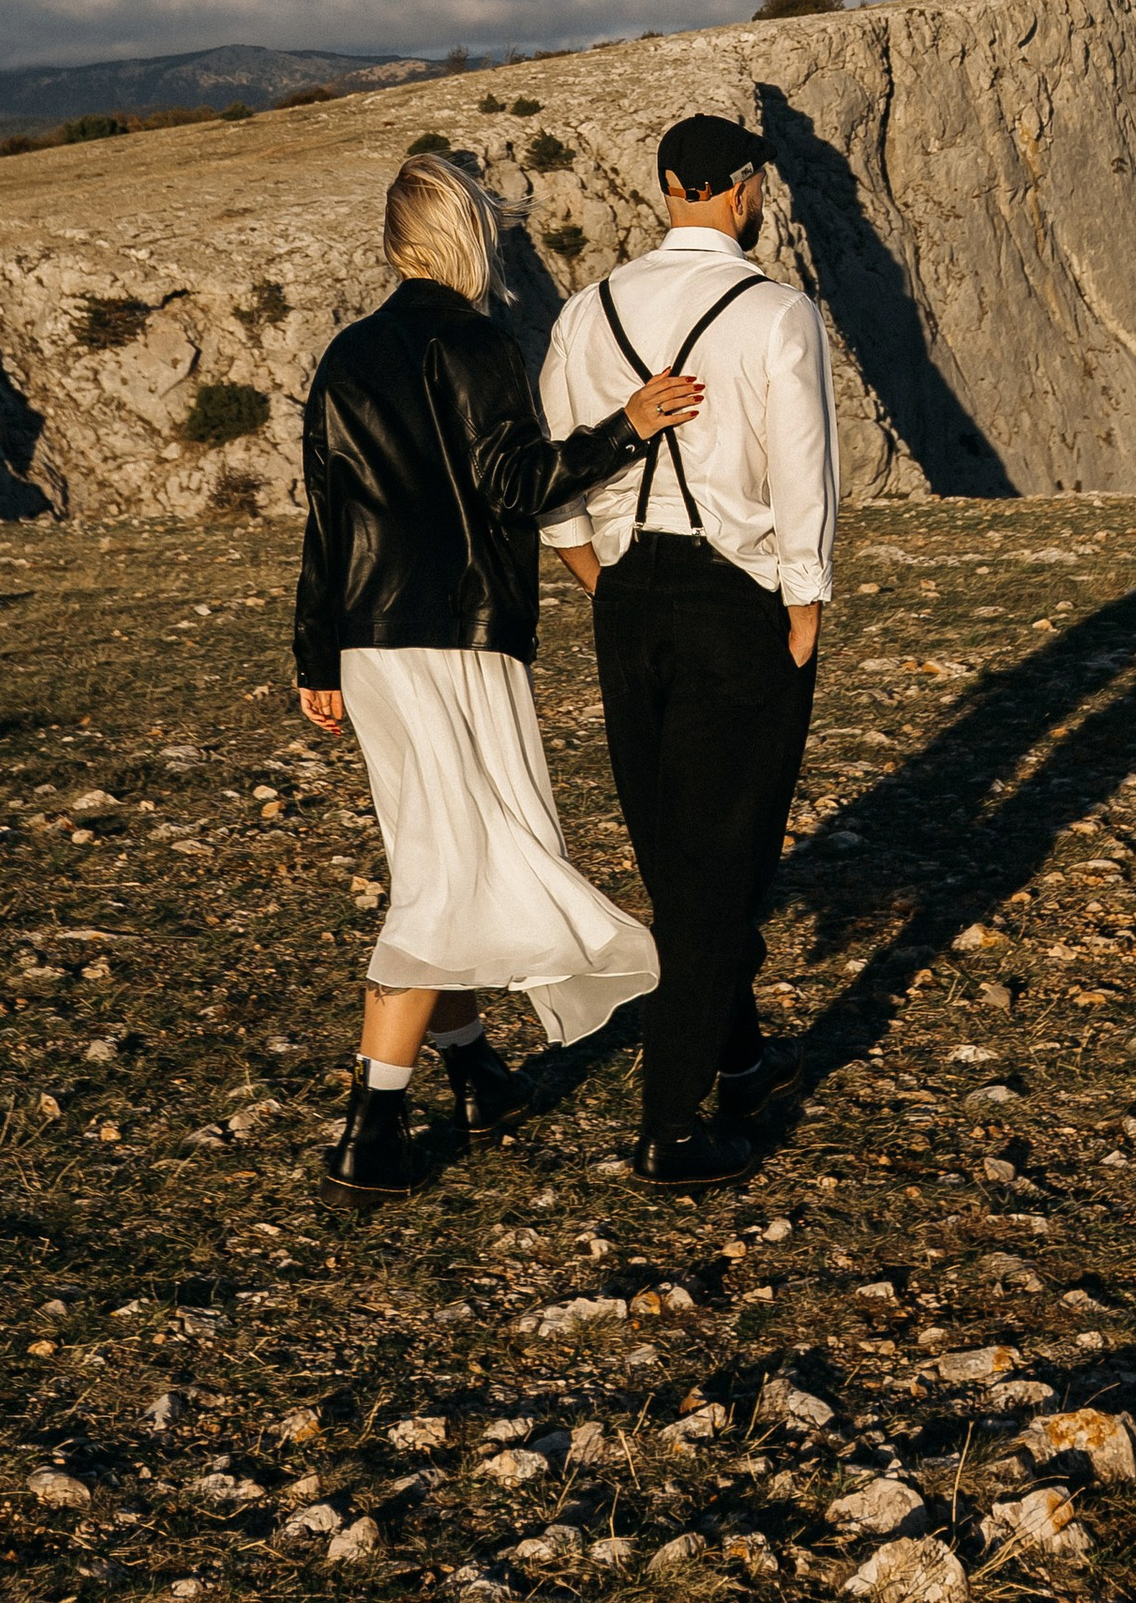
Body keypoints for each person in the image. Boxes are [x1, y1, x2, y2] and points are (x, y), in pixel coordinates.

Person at [292, 146, 705, 1204]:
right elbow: (517, 484)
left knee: (444, 849)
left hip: (370, 645)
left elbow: (328, 522)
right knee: (449, 867)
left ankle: (475, 1070)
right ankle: (372, 1123)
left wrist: (313, 656)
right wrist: (629, 428)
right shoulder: (475, 344)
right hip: (459, 643)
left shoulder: (343, 356)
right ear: (465, 233)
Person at [538, 112, 840, 1190]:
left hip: (627, 598)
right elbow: (803, 460)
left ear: (667, 187)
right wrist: (803, 598)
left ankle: (741, 1051)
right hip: (735, 598)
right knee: (723, 863)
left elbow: (556, 458)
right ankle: (671, 1127)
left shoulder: (588, 309)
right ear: (746, 188)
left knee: (673, 845)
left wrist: (585, 559)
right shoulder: (774, 310)